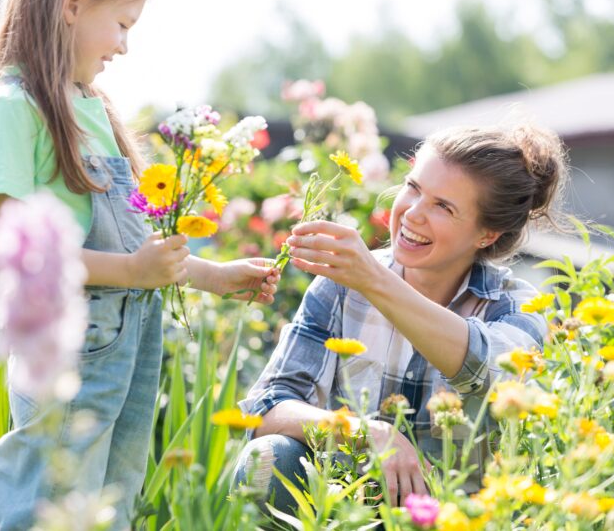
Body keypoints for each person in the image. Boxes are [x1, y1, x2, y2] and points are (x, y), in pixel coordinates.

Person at [0, 0, 279, 529]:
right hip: (70, 344)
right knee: (47, 500)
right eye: (121, 24)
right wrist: (133, 272)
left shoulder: (91, 105)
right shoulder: (15, 105)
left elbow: (135, 242)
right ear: (73, 4)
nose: (124, 46)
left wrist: (215, 278)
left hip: (132, 338)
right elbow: (11, 245)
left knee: (109, 502)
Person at [235, 123, 567, 513]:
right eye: (413, 188)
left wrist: (373, 280)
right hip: (348, 508)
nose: (413, 213)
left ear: (487, 234)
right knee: (269, 457)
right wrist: (366, 433)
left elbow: (486, 371)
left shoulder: (515, 308)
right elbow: (266, 407)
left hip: (458, 516)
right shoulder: (342, 286)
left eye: (443, 206)